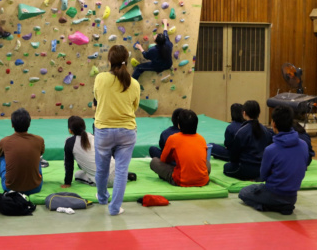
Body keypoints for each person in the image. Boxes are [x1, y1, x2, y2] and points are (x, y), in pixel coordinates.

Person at [93, 45, 141, 216]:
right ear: (126, 61)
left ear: (109, 60)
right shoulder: (134, 83)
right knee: (121, 171)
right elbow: (134, 107)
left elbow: (98, 99)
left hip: (103, 130)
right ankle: (114, 208)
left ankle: (102, 198)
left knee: (101, 169)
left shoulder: (100, 78)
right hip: (127, 132)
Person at [239, 106, 308, 215]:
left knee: (244, 192)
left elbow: (263, 176)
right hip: (292, 196)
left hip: (274, 193)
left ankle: (270, 205)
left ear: (273, 123)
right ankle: (282, 205)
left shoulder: (271, 149)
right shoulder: (303, 145)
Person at [150, 109, 210, 187]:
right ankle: (198, 176)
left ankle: (170, 176)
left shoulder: (173, 138)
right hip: (203, 180)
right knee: (207, 163)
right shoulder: (201, 139)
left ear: (179, 125)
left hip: (181, 180)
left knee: (154, 162)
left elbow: (164, 160)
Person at [0, 108, 45, 195]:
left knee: (3, 155)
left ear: (12, 124)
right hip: (35, 188)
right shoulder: (39, 140)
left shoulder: (4, 141)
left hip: (9, 188)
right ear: (29, 124)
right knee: (38, 156)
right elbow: (41, 152)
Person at [62, 116, 119, 188]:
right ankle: (126, 176)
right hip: (119, 172)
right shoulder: (93, 136)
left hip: (106, 181)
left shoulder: (69, 142)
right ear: (84, 127)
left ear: (70, 130)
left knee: (78, 174)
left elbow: (69, 164)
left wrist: (67, 182)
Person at [224, 100, 272, 181]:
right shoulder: (266, 131)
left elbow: (234, 156)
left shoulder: (242, 131)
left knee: (226, 167)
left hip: (245, 169)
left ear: (244, 113)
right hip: (262, 168)